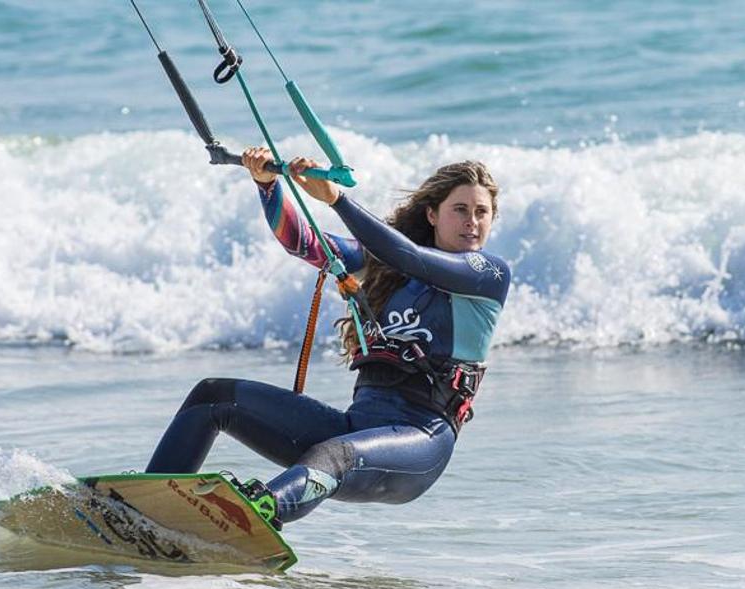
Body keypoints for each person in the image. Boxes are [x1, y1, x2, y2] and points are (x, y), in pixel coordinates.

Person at [145, 147, 511, 529]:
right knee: (214, 397)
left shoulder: (487, 275)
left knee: (331, 456)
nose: (472, 222)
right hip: (356, 429)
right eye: (461, 209)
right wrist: (267, 186)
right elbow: (304, 243)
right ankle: (146, 510)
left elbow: (411, 256)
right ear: (433, 214)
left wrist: (337, 200)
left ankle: (256, 515)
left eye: (481, 212)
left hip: (419, 442)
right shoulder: (389, 267)